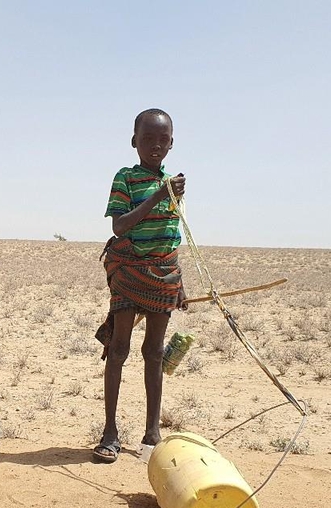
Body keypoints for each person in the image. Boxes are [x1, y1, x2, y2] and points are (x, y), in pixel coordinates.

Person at [93, 108, 187, 463]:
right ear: (135, 141)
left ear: (171, 144)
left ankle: (152, 434)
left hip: (164, 275)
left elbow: (172, 234)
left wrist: (179, 282)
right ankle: (110, 432)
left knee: (155, 353)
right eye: (148, 139)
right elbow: (120, 226)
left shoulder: (172, 184)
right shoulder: (126, 178)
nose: (155, 146)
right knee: (118, 351)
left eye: (163, 140)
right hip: (129, 271)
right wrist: (157, 197)